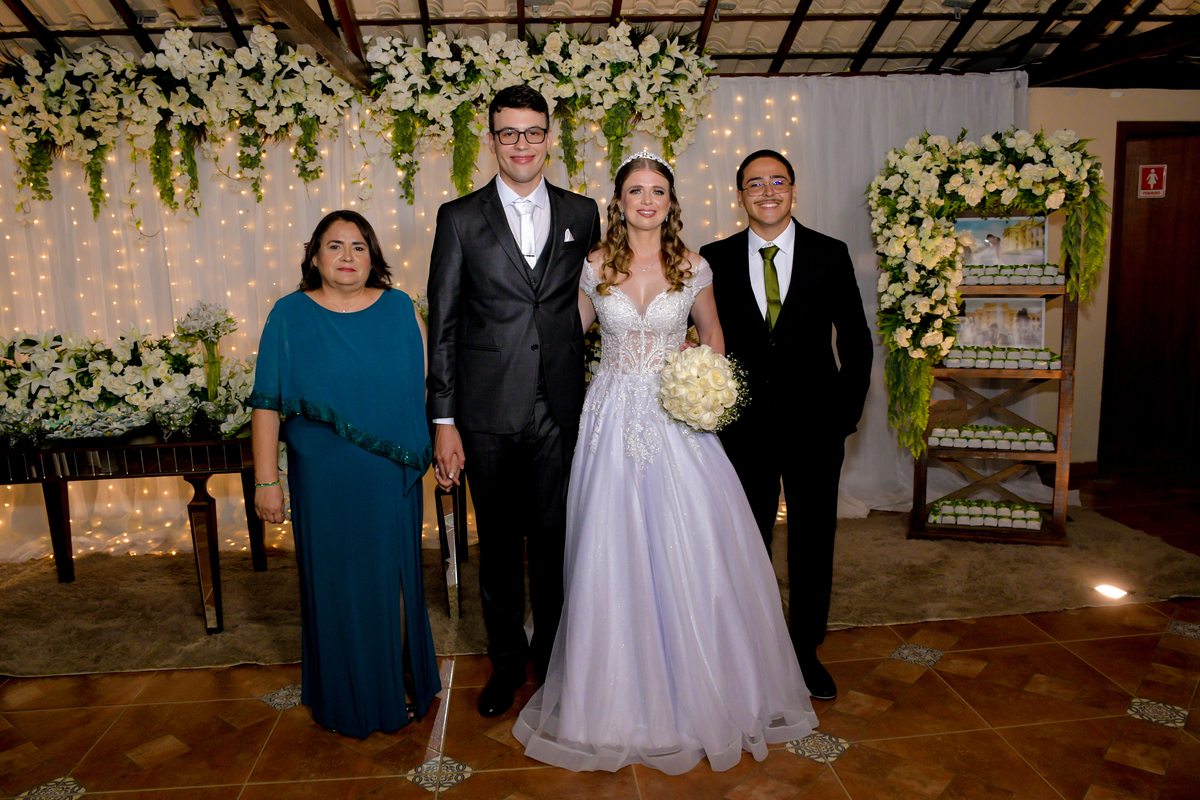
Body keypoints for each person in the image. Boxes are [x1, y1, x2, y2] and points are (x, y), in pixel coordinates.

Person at [513, 151, 818, 775]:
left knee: (694, 541)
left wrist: (704, 384)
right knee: (612, 544)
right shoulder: (594, 266)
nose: (647, 200)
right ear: (619, 202)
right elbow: (567, 337)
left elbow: (714, 334)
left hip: (677, 415)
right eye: (636, 191)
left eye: (657, 191)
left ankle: (708, 685)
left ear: (670, 202)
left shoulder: (694, 265)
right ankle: (614, 700)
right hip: (610, 415)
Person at [425, 85, 602, 717]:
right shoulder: (459, 218)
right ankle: (505, 665)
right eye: (509, 133)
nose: (521, 144)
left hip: (560, 405)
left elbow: (597, 299)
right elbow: (443, 324)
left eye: (532, 132)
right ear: (492, 139)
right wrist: (444, 421)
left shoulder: (583, 213)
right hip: (485, 412)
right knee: (498, 546)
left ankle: (554, 662)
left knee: (556, 541)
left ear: (549, 138)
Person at [249, 210, 439, 738]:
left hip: (386, 474)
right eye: (335, 246)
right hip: (321, 477)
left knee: (391, 578)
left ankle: (395, 682)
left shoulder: (400, 309)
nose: (348, 256)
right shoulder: (289, 314)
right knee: (331, 582)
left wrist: (438, 441)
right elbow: (266, 402)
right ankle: (342, 693)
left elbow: (426, 385)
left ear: (373, 257)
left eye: (359, 246)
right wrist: (267, 480)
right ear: (314, 257)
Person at [699, 150, 873, 701]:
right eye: (755, 184)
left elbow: (857, 340)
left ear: (794, 190)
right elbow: (701, 338)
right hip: (743, 429)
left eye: (778, 181)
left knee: (813, 541)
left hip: (815, 427)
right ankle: (750, 646)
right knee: (745, 540)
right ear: (740, 196)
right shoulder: (714, 258)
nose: (767, 191)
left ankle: (805, 650)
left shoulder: (830, 253)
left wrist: (844, 415)